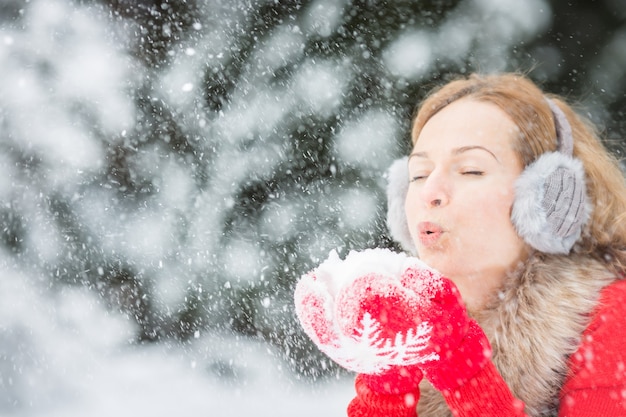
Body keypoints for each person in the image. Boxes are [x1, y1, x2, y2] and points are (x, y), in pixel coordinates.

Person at [294, 72, 626, 416]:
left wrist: (461, 365)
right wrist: (387, 377)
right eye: (419, 174)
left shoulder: (611, 314)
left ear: (547, 198)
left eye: (470, 170)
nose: (429, 192)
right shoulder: (413, 317)